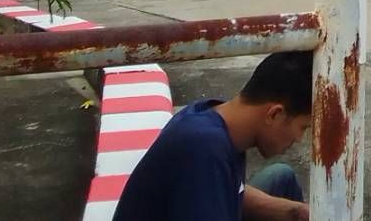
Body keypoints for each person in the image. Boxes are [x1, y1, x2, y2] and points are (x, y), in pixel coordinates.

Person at [114, 51, 311, 221]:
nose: (299, 139)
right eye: (303, 127)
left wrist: (297, 212)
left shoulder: (216, 116)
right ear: (275, 114)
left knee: (282, 177)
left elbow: (230, 189)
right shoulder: (205, 148)